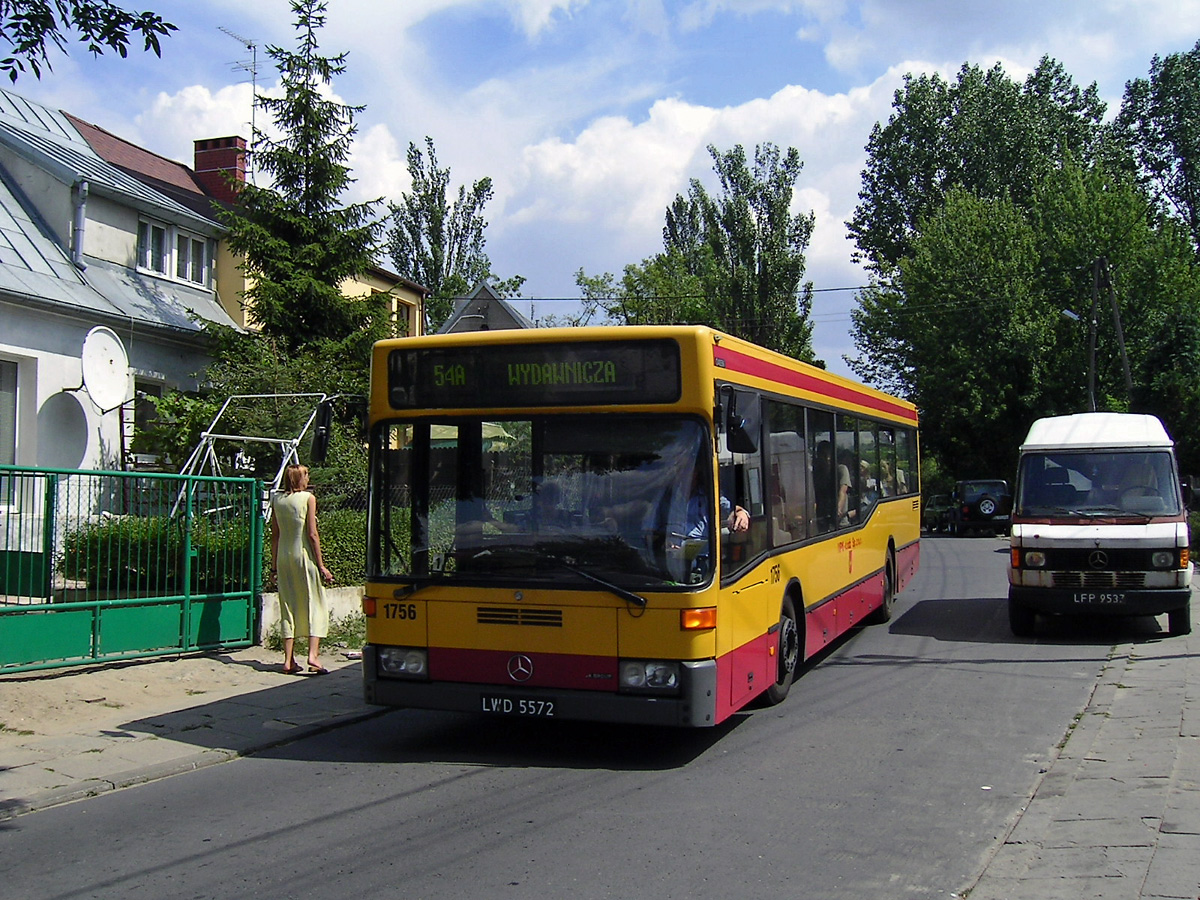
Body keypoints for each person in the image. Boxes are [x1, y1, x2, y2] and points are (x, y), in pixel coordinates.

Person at [271, 463, 334, 675]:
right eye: (305, 475)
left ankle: (288, 660)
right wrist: (322, 565)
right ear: (299, 479)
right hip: (303, 555)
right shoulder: (308, 498)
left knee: (288, 605)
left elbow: (275, 535)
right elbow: (312, 534)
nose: (308, 479)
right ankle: (313, 655)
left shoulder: (276, 499)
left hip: (283, 557)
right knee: (314, 602)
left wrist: (273, 567)